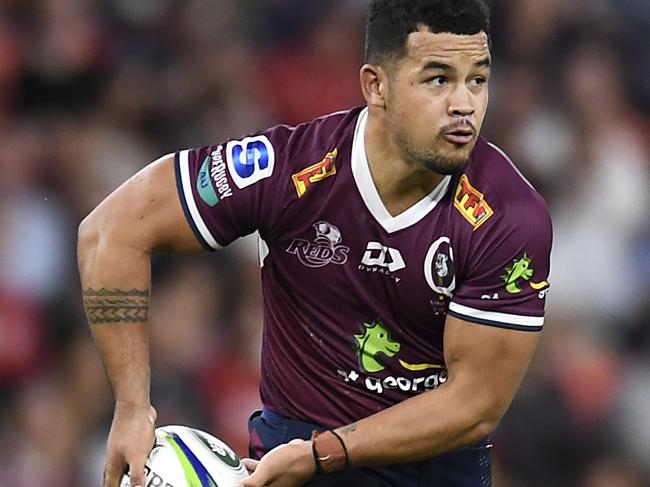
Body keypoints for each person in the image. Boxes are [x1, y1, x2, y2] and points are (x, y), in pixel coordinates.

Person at [77, 1, 553, 486]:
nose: (465, 104)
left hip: (420, 473)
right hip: (291, 465)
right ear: (376, 86)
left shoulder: (510, 217)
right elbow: (110, 232)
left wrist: (324, 453)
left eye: (478, 79)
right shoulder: (289, 169)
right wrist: (132, 407)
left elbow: (474, 405)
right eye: (438, 79)